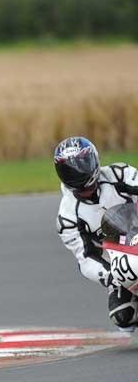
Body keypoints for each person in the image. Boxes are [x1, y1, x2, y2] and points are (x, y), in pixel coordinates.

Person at [55, 136, 138, 329]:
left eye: (83, 164)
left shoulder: (120, 174)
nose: (79, 172)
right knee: (122, 315)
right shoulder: (67, 217)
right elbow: (85, 258)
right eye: (70, 170)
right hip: (122, 263)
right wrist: (111, 275)